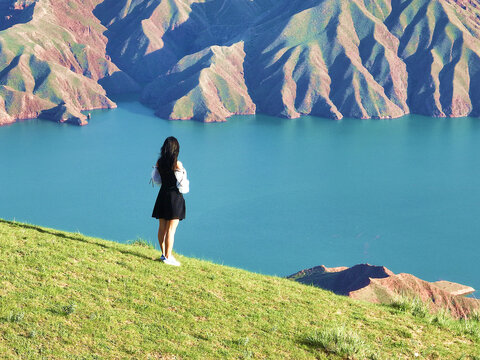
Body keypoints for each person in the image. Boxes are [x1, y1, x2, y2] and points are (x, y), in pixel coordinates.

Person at [151, 136, 189, 266]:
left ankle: (163, 254)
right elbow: (182, 185)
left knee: (162, 227)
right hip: (174, 198)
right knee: (171, 230)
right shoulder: (177, 164)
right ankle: (168, 257)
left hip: (162, 195)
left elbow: (156, 180)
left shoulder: (159, 163)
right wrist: (183, 170)